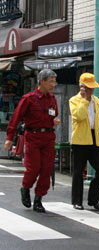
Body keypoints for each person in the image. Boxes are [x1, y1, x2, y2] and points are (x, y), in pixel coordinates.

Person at [4, 69, 60, 213]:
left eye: (54, 81)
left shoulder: (52, 99)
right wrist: (10, 138)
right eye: (51, 81)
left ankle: (39, 199)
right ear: (42, 81)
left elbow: (54, 115)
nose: (53, 84)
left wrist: (55, 121)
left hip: (48, 137)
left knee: (47, 169)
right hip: (33, 136)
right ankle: (25, 188)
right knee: (33, 167)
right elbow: (16, 118)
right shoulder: (29, 98)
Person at [69, 73, 99, 211]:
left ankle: (94, 199)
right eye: (89, 88)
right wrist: (84, 100)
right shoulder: (74, 100)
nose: (92, 90)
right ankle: (77, 201)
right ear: (82, 87)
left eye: (92, 88)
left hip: (95, 138)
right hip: (80, 139)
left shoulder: (97, 101)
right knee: (78, 171)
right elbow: (78, 116)